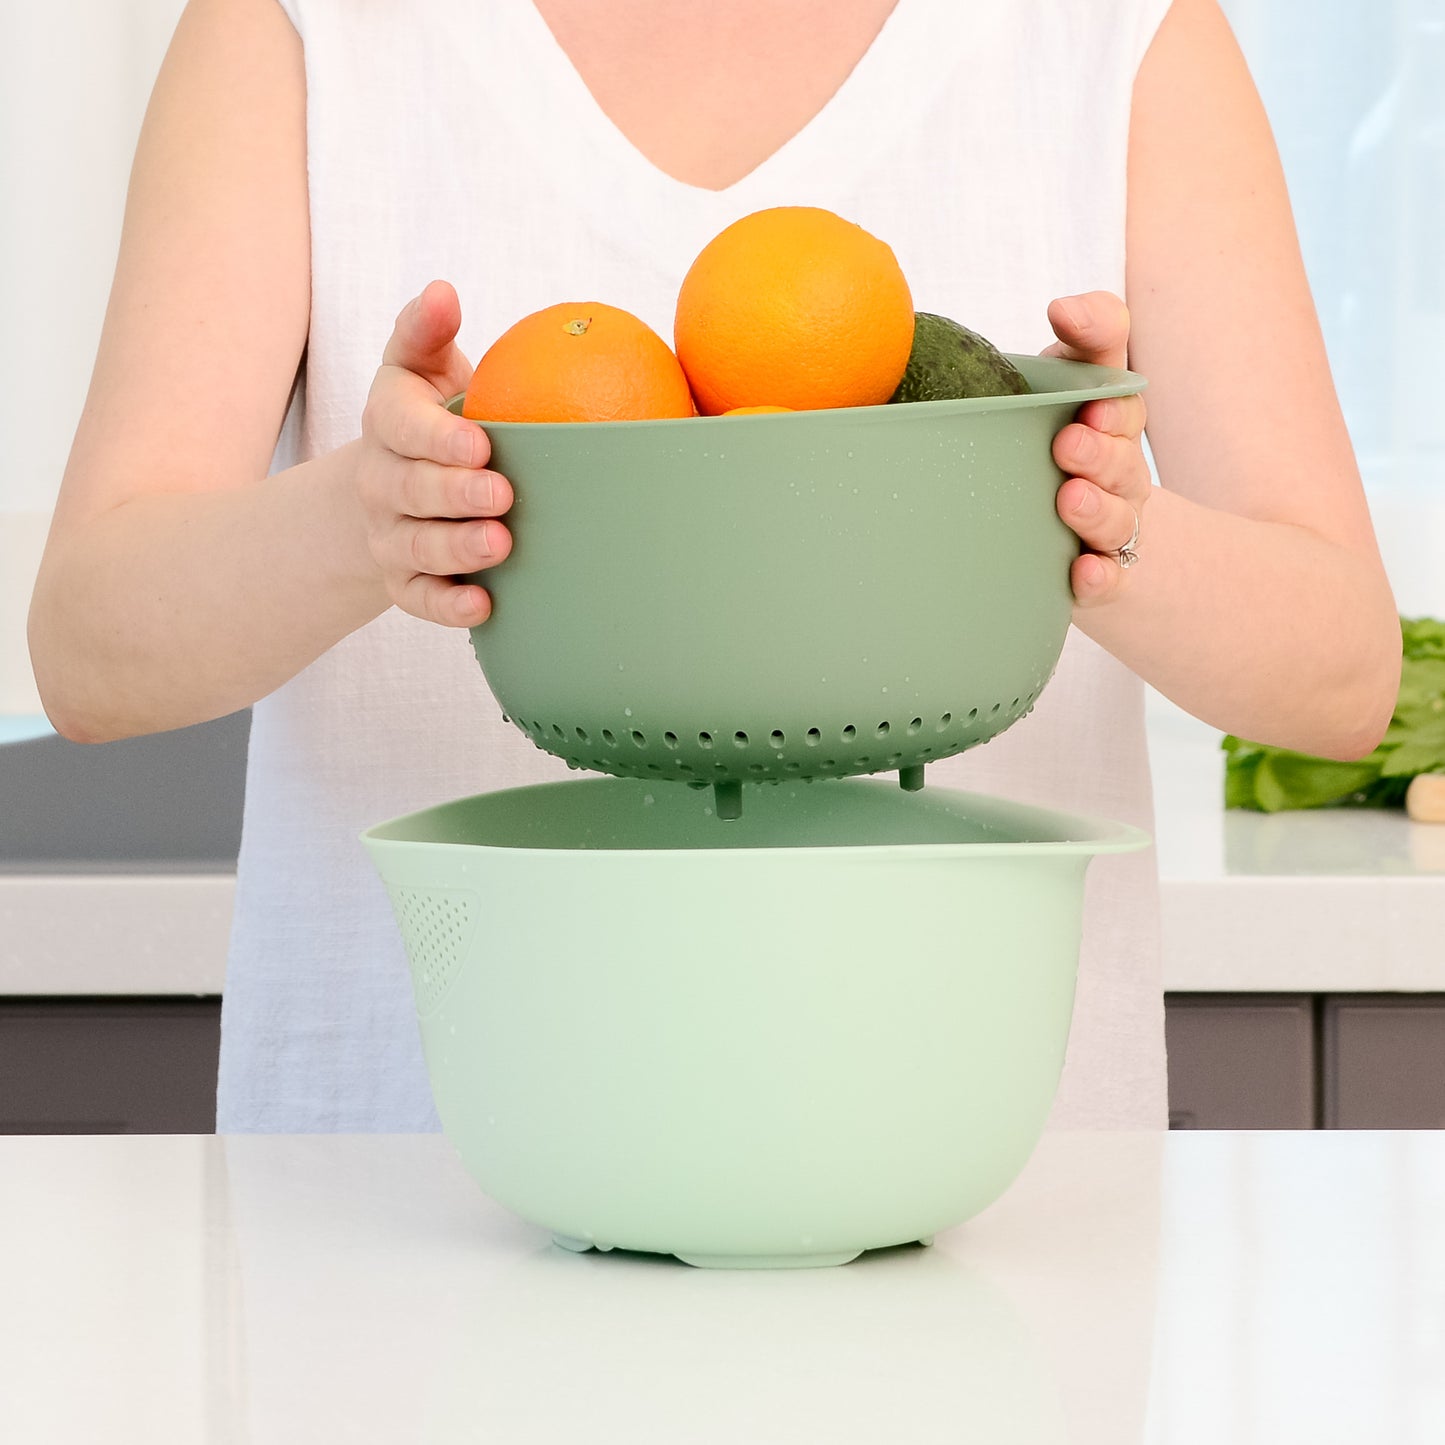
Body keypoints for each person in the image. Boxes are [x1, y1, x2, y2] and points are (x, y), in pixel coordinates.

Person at [28, 0, 1400, 1133]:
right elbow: (89, 647)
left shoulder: (1113, 39)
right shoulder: (304, 33)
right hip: (405, 1214)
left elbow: (1338, 673)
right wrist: (366, 516)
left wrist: (1094, 518)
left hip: (975, 1213)